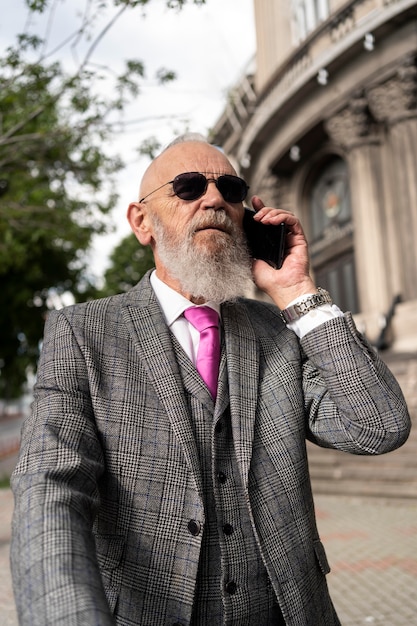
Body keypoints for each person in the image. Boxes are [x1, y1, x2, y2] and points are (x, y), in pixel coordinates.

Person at [11, 135, 411, 626]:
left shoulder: (279, 330)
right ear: (142, 222)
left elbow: (378, 426)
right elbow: (50, 490)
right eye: (188, 186)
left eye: (232, 188)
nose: (216, 198)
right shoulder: (83, 332)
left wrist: (299, 292)